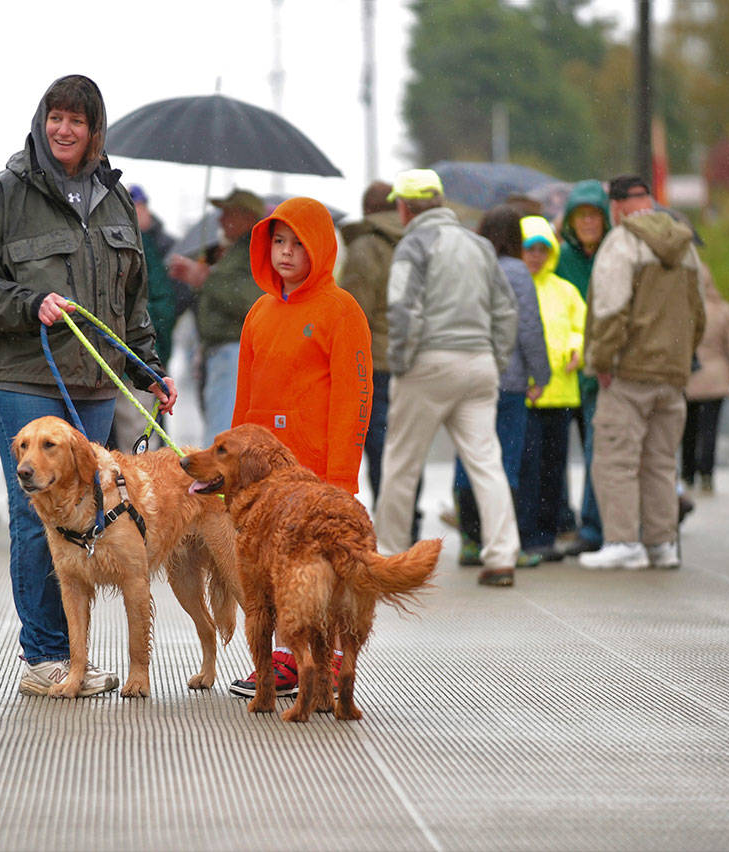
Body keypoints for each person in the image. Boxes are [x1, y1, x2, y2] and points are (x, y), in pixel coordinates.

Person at [0, 74, 176, 697]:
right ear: (42, 120)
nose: (64, 129)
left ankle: (79, 657)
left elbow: (134, 300)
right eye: (55, 116)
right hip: (23, 376)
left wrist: (148, 370)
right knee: (39, 516)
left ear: (95, 129)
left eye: (77, 119)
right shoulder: (7, 192)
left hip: (96, 383)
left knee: (95, 516)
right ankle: (46, 658)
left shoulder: (114, 195)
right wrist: (28, 303)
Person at [222, 195, 372, 698]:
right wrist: (232, 471)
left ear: (321, 247)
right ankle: (281, 659)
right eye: (277, 242)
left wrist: (341, 478)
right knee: (269, 568)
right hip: (263, 477)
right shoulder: (258, 313)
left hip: (316, 472)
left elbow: (354, 398)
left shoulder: (341, 310)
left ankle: (316, 661)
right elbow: (244, 402)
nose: (285, 253)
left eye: (297, 243)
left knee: (315, 571)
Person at [373, 169, 520, 588]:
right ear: (439, 201)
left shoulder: (412, 245)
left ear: (404, 207)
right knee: (487, 463)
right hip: (479, 364)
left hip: (429, 362)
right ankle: (502, 556)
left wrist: (401, 363)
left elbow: (403, 309)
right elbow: (506, 310)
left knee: (402, 462)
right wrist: (496, 357)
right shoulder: (479, 245)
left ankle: (390, 554)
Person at [579, 175, 704, 571]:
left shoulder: (621, 242)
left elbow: (611, 310)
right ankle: (661, 544)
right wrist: (681, 356)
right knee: (661, 462)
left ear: (615, 207)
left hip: (628, 372)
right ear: (649, 200)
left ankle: (622, 541)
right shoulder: (685, 246)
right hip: (672, 374)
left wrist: (601, 361)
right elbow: (699, 316)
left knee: (616, 459)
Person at [452, 206, 552, 569]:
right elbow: (528, 328)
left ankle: (469, 540)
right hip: (507, 381)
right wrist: (541, 376)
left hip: (466, 373)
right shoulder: (517, 272)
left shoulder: (468, 267)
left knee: (469, 454)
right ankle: (504, 544)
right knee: (504, 461)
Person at [168, 188, 265, 445]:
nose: (221, 220)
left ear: (246, 217)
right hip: (222, 350)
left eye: (228, 213)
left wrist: (205, 277)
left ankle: (216, 483)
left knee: (221, 431)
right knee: (220, 422)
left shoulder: (254, 251)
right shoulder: (233, 251)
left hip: (232, 350)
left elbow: (250, 299)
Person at [516, 215, 586, 562]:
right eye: (529, 248)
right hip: (527, 397)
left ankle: (546, 536)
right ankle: (528, 536)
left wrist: (578, 347)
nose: (536, 255)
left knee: (553, 471)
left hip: (561, 395)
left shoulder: (565, 290)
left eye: (543, 248)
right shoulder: (514, 286)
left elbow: (582, 326)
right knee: (527, 470)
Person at [554, 180, 611, 555]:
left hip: (598, 371)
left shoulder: (614, 255)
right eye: (581, 216)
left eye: (593, 215)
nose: (588, 222)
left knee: (596, 451)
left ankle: (593, 528)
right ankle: (560, 520)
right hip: (561, 372)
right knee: (553, 455)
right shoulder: (558, 258)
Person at [337, 180, 402, 501]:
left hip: (373, 361)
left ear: (368, 210)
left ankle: (385, 521)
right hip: (408, 359)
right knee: (400, 447)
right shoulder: (414, 244)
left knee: (376, 442)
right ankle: (406, 522)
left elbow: (353, 312)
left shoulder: (365, 248)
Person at [108, 184, 186, 451]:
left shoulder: (162, 244)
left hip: (147, 351)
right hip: (125, 350)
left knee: (146, 428)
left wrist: (153, 327)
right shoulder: (119, 241)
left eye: (136, 207)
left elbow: (172, 298)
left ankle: (150, 484)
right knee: (128, 433)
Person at [682, 268, 729, 495]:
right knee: (710, 430)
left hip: (689, 378)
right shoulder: (723, 310)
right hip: (716, 377)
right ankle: (706, 475)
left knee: (688, 429)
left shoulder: (684, 310)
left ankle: (687, 474)